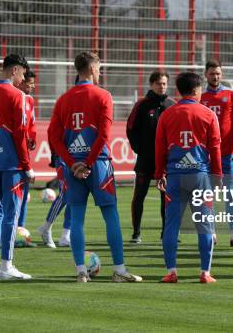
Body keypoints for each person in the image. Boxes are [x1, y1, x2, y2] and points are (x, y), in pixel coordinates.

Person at [47, 51, 142, 283]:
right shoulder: (103, 96)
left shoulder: (63, 100)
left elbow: (54, 137)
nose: (100, 73)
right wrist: (88, 162)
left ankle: (81, 270)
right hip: (98, 165)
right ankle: (119, 270)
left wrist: (72, 164)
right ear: (91, 69)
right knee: (110, 215)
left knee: (76, 218)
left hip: (73, 168)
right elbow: (105, 134)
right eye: (99, 68)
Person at [155, 72, 222, 284]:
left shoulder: (167, 114)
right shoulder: (208, 114)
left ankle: (171, 271)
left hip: (175, 177)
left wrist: (159, 174)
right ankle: (205, 272)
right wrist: (218, 175)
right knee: (205, 226)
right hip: (199, 176)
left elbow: (160, 148)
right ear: (196, 90)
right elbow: (215, 147)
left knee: (171, 226)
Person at [0, 53, 35, 280]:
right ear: (14, 70)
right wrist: (27, 165)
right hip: (11, 164)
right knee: (11, 215)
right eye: (22, 73)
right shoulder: (17, 96)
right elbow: (20, 133)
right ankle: (6, 266)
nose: (23, 78)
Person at [200, 59, 233, 248]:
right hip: (207, 157)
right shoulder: (200, 96)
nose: (216, 77)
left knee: (230, 196)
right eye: (212, 73)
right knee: (208, 196)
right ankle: (210, 234)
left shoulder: (232, 95)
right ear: (206, 74)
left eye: (218, 73)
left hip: (228, 155)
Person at [126, 70, 175, 243]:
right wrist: (139, 149)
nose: (161, 87)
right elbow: (131, 128)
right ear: (151, 85)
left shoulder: (172, 105)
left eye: (164, 83)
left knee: (167, 198)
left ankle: (166, 234)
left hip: (167, 162)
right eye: (158, 83)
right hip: (145, 160)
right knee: (139, 195)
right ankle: (136, 233)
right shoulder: (142, 105)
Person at [15, 69, 38, 248]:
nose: (32, 86)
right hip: (13, 153)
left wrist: (32, 138)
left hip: (25, 151)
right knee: (16, 192)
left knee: (24, 191)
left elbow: (31, 124)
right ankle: (13, 228)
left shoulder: (29, 100)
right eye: (29, 83)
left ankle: (20, 228)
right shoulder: (15, 98)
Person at [37, 153, 72, 248]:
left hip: (77, 156)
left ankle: (65, 236)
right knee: (64, 194)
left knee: (74, 197)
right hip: (63, 156)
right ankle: (47, 227)